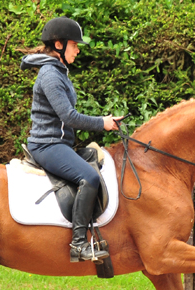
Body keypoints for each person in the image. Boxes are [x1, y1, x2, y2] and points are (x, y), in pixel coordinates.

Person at [20, 17, 123, 263]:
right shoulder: (50, 75)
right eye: (74, 45)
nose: (78, 49)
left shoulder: (59, 71)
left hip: (59, 143)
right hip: (47, 145)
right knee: (89, 177)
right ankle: (78, 245)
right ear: (59, 45)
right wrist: (102, 122)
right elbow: (69, 116)